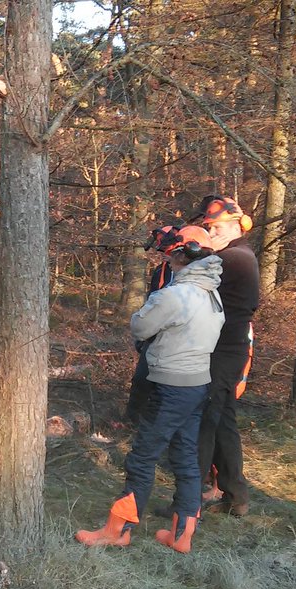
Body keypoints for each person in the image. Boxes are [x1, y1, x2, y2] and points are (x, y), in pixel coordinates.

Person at [76, 226, 223, 553]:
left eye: (171, 255)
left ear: (185, 255)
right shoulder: (213, 294)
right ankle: (182, 535)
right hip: (197, 385)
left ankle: (119, 529)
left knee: (142, 457)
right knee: (186, 458)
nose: (168, 261)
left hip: (170, 386)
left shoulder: (175, 295)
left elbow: (141, 325)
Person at [191, 195, 260, 517]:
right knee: (222, 423)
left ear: (236, 225)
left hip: (222, 351)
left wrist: (189, 248)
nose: (211, 233)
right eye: (207, 228)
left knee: (205, 420)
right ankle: (236, 495)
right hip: (223, 348)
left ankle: (190, 500)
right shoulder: (235, 255)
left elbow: (190, 279)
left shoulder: (234, 257)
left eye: (215, 227)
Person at [124, 224, 179, 425]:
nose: (163, 255)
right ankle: (132, 421)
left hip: (173, 338)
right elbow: (152, 301)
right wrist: (143, 333)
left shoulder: (186, 279)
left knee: (162, 384)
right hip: (153, 334)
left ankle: (153, 423)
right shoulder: (161, 271)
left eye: (167, 251)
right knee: (141, 380)